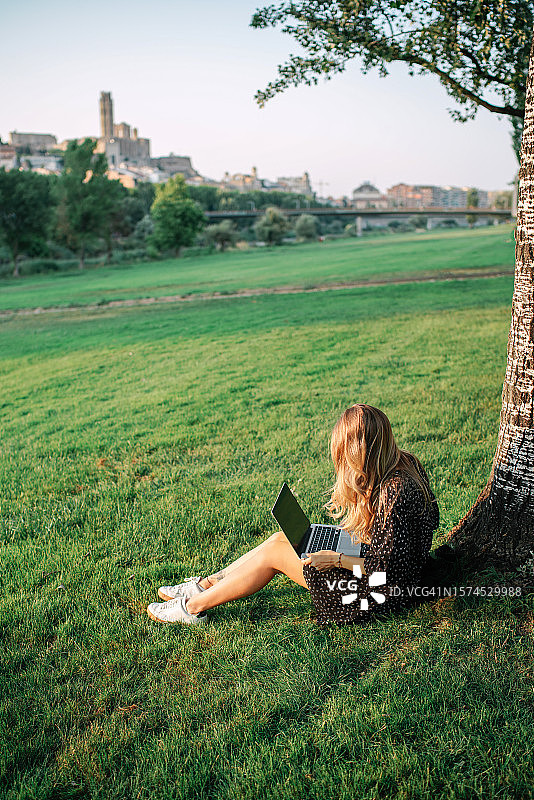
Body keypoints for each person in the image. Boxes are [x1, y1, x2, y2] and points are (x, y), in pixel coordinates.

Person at [147, 403, 439, 626]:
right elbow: (415, 532)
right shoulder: (406, 463)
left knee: (275, 555)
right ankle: (206, 584)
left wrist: (336, 558)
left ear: (360, 451)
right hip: (383, 571)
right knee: (279, 538)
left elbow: (385, 572)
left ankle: (194, 607)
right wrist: (356, 542)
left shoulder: (394, 491)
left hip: (375, 596)